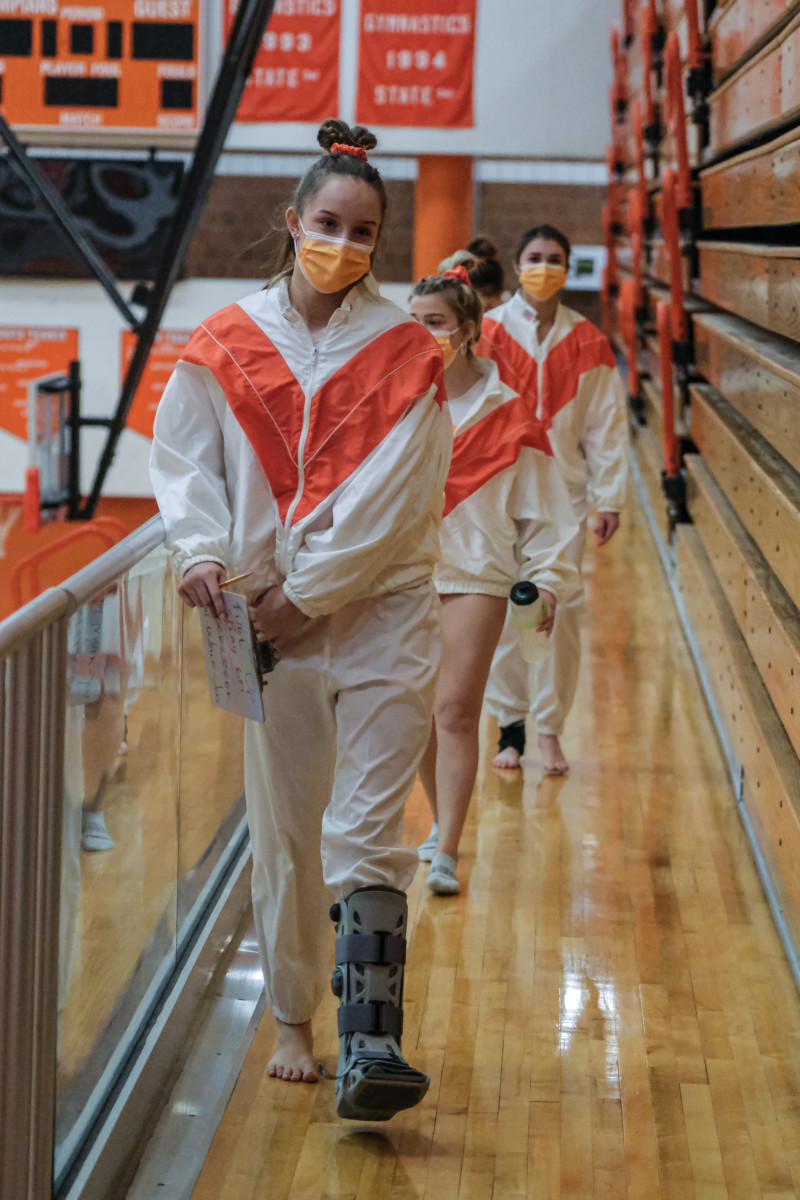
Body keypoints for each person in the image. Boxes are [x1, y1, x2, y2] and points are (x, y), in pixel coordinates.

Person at [150, 119, 453, 1122]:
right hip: (263, 632)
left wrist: (303, 596)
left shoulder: (407, 352)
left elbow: (394, 507)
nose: (345, 244)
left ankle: (372, 1047)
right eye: (329, 222)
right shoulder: (223, 340)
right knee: (284, 830)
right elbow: (184, 459)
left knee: (364, 825)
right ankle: (291, 1020)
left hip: (380, 618)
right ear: (291, 221)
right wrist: (198, 550)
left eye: (364, 232)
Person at [408, 262, 579, 896]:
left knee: (455, 710)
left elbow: (547, 514)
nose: (423, 334)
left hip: (478, 573)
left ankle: (449, 846)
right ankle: (436, 820)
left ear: (470, 330)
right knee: (420, 713)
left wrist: (549, 579)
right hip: (404, 574)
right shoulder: (397, 402)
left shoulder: (510, 415)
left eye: (436, 323)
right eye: (413, 323)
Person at [476, 223, 629, 775]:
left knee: (555, 614)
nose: (545, 266)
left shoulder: (589, 341)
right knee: (502, 609)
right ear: (518, 267)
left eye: (555, 258)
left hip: (564, 495)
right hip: (498, 491)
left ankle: (550, 730)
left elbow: (606, 426)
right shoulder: (485, 331)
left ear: (568, 268)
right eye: (535, 257)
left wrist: (610, 496)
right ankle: (509, 729)